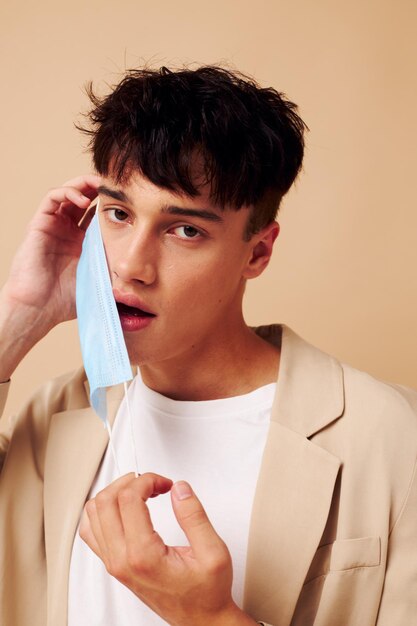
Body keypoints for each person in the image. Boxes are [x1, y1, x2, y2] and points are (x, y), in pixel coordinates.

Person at [0, 66, 416, 626]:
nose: (129, 265)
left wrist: (210, 617)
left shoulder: (389, 436)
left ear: (257, 253)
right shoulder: (57, 414)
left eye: (185, 230)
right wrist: (18, 317)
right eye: (118, 214)